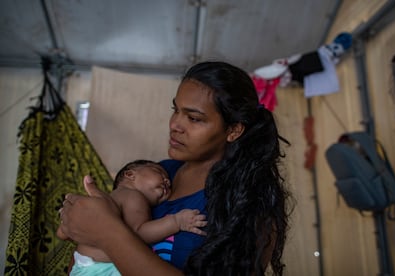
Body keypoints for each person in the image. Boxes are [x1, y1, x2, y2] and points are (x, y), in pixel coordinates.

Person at [58, 61, 291, 276]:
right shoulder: (160, 174)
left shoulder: (248, 202)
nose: (175, 125)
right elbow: (91, 247)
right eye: (176, 110)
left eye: (194, 118)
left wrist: (108, 233)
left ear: (233, 131)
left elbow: (107, 231)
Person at [66, 159, 207, 275]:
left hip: (82, 264)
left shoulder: (110, 198)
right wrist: (176, 221)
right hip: (101, 268)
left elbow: (68, 229)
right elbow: (138, 233)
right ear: (130, 175)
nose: (167, 181)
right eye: (159, 173)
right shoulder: (133, 196)